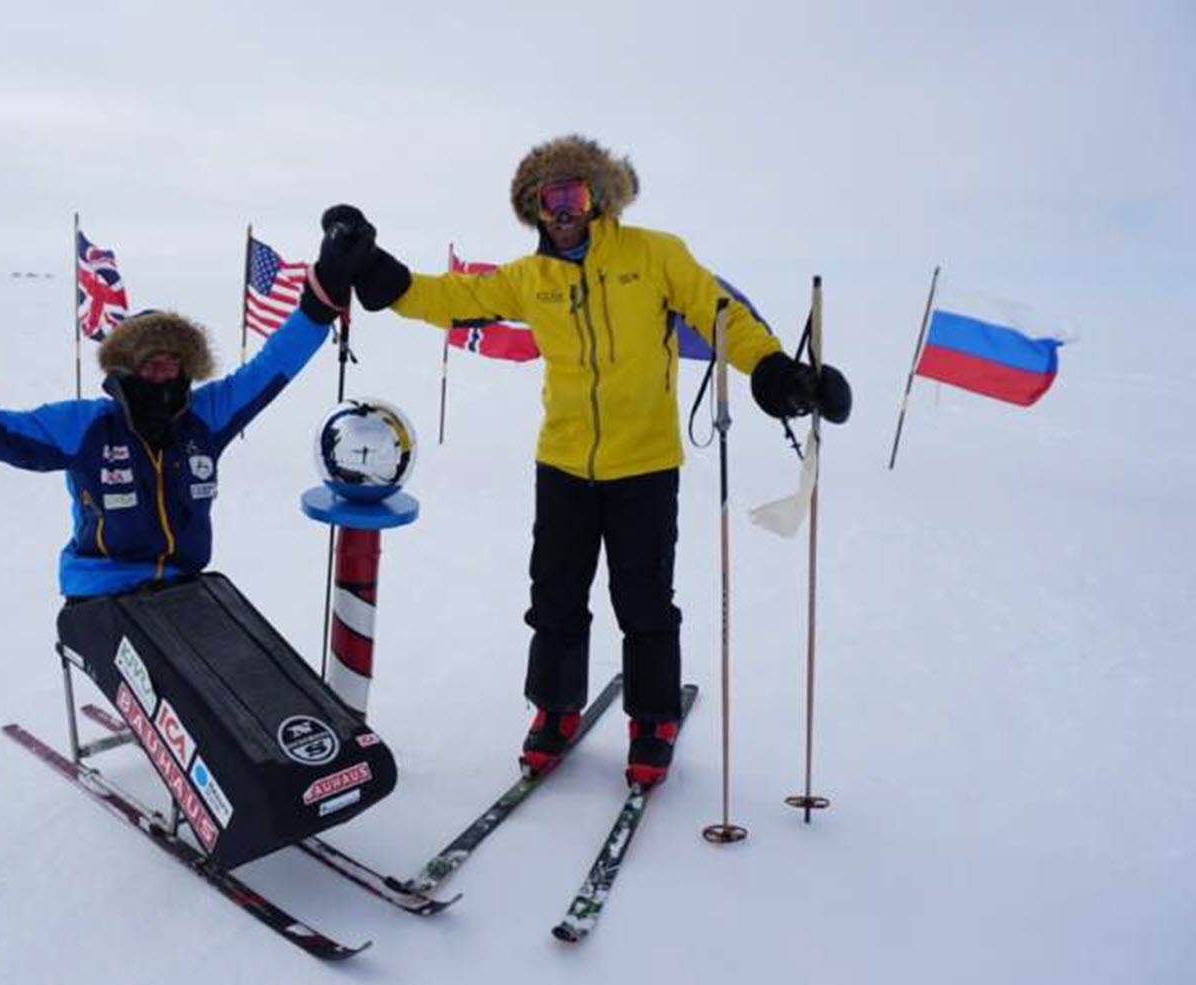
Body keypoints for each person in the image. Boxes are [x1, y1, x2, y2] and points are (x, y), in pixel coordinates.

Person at [331, 134, 852, 787]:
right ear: (533, 209)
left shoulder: (655, 255)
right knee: (555, 595)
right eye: (547, 200)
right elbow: (449, 300)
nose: (562, 210)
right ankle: (554, 710)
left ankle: (653, 718)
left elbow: (723, 318)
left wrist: (777, 372)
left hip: (646, 464)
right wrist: (376, 269)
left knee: (643, 600)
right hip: (565, 464)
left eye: (573, 194)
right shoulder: (531, 279)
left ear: (597, 198)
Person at [0, 218, 367, 602]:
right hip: (101, 597)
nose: (161, 368)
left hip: (185, 590)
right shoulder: (87, 426)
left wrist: (323, 296)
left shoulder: (204, 417)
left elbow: (275, 365)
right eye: (148, 360)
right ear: (126, 366)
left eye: (172, 359)